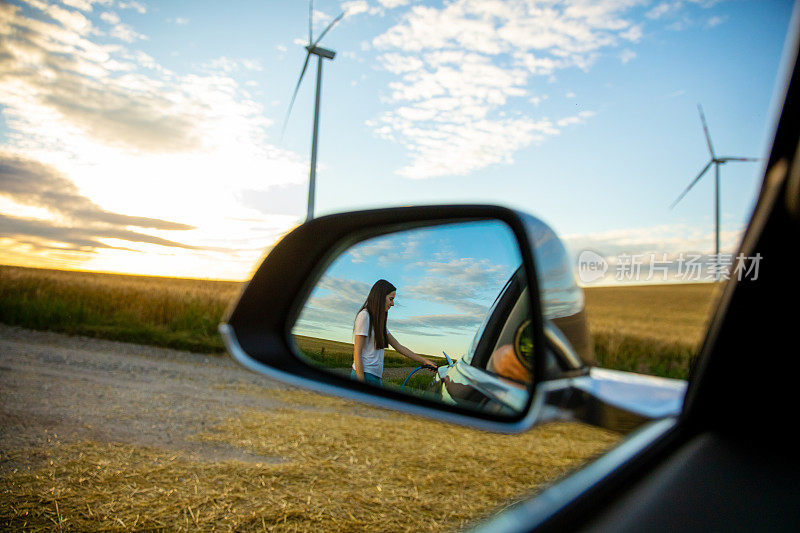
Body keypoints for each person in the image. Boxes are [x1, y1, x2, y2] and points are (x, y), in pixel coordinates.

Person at [351, 279, 437, 384]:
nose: (392, 304)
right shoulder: (365, 316)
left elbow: (399, 347)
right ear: (380, 297)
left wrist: (424, 361)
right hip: (364, 375)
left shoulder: (378, 322)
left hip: (375, 377)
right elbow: (357, 353)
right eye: (391, 299)